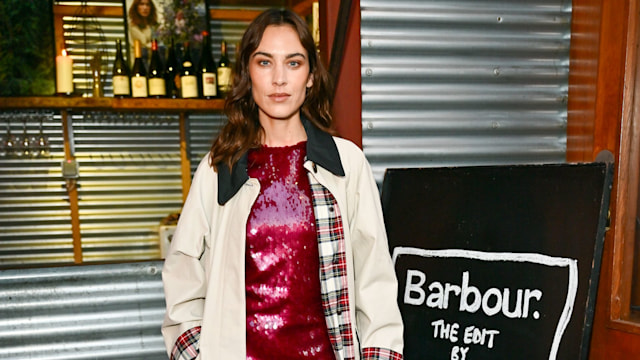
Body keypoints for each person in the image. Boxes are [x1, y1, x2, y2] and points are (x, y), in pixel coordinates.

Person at [161, 8, 404, 360]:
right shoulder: (220, 169)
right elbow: (183, 281)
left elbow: (376, 283)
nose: (279, 79)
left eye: (293, 63)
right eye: (264, 63)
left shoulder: (345, 165)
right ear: (247, 72)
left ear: (309, 76)